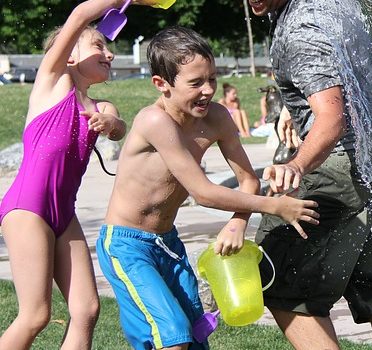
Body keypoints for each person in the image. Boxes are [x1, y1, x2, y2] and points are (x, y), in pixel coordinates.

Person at [95, 26, 319, 350]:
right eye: (196, 82)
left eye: (212, 79)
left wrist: (238, 221)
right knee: (173, 335)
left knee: (197, 335)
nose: (208, 90)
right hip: (128, 246)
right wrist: (275, 206)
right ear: (162, 84)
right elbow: (202, 192)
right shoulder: (154, 121)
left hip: (167, 243)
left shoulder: (217, 118)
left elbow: (249, 180)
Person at [247, 1, 372, 349]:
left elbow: (332, 117)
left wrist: (297, 164)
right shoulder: (335, 7)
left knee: (280, 285)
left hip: (336, 170)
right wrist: (290, 108)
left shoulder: (301, 31)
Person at [0, 0, 128, 348]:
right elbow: (82, 13)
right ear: (69, 56)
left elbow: (118, 126)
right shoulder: (52, 83)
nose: (110, 54)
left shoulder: (100, 107)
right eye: (99, 46)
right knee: (36, 315)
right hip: (28, 208)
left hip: (63, 214)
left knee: (86, 310)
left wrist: (111, 124)